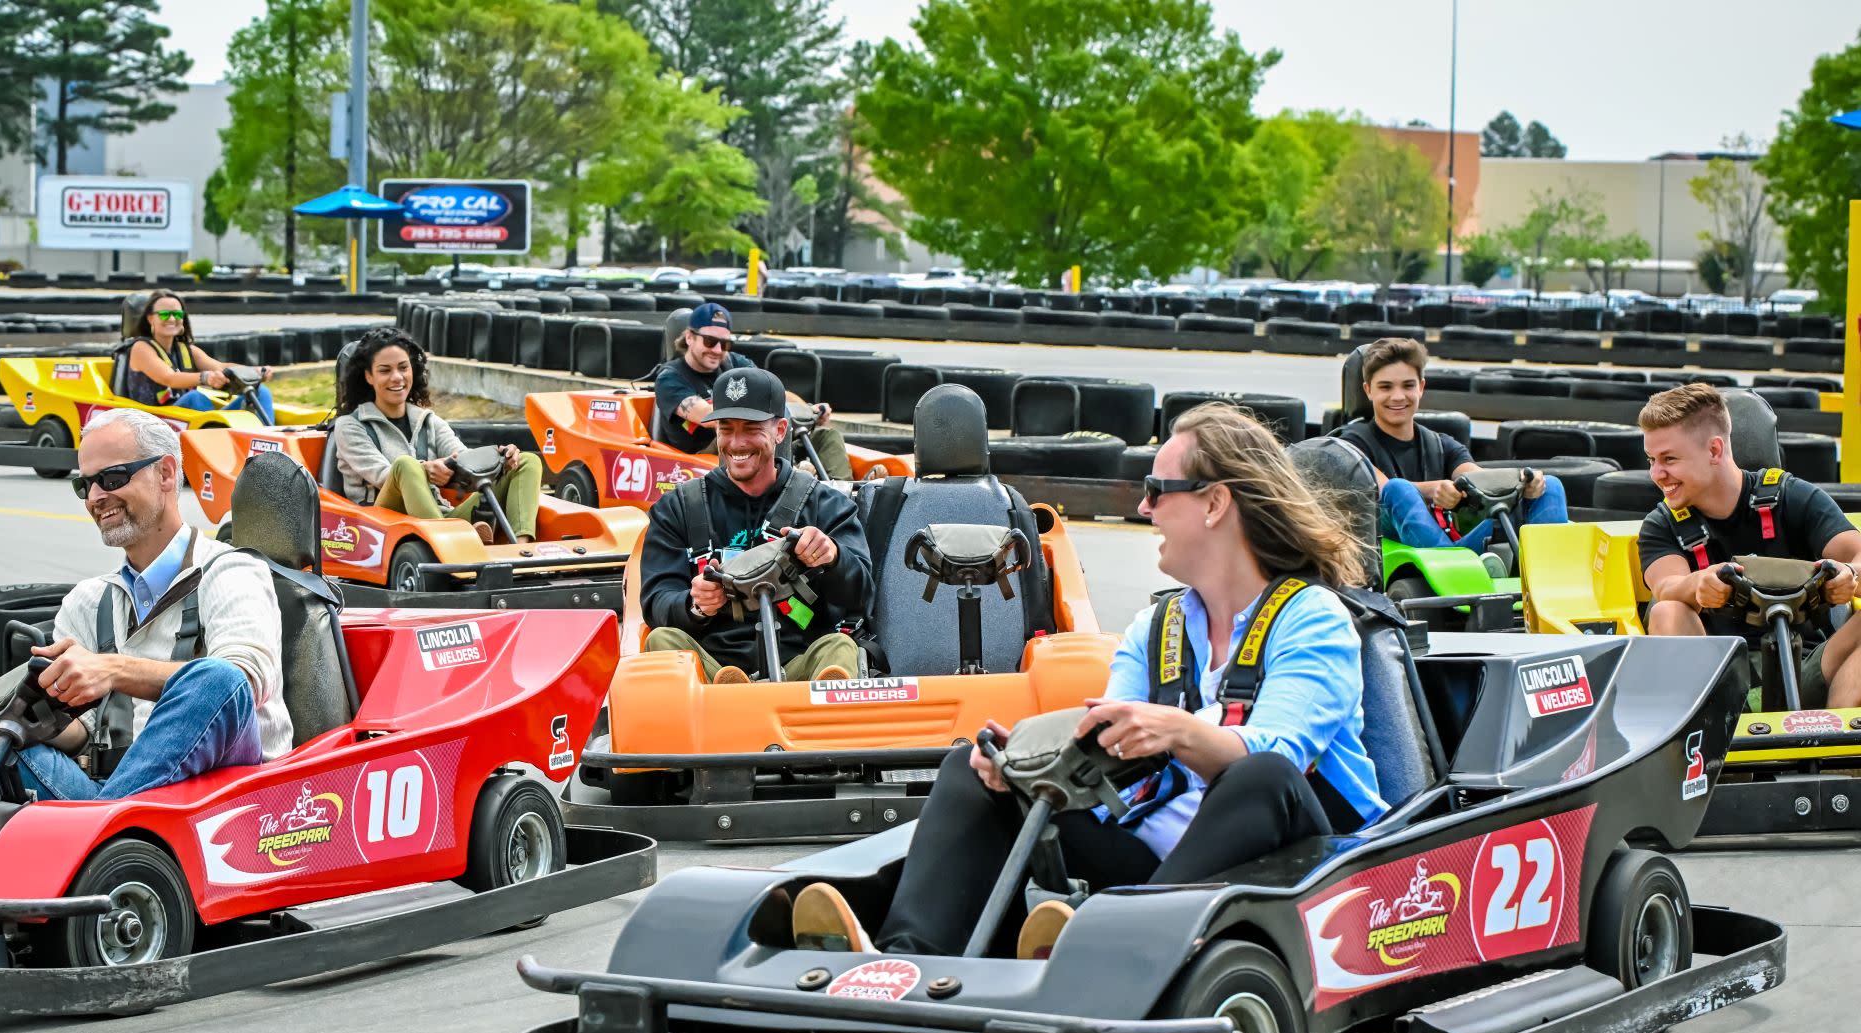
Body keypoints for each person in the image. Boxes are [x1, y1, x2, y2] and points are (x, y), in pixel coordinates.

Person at [793, 404, 1385, 959]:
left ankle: (1113, 947)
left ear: (1214, 504)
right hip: (1165, 869)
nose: (1146, 510)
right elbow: (1102, 750)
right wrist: (1023, 761)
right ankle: (906, 963)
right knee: (976, 770)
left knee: (1259, 776)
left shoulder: (1314, 617)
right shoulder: (1159, 628)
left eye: (1157, 492)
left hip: (1312, 874)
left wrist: (1175, 730)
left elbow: (1281, 753)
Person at [0, 408, 291, 856]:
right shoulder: (89, 600)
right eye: (86, 486)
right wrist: (18, 715)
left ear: (166, 473)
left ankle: (100, 839)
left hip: (218, 802)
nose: (97, 496)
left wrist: (112, 670)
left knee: (216, 680)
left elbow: (244, 685)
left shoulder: (232, 572)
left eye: (113, 478)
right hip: (99, 798)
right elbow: (83, 737)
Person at [639, 365, 871, 685]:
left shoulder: (826, 505)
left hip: (800, 665)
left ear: (779, 430)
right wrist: (694, 605)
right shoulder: (677, 509)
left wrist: (833, 558)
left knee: (840, 647)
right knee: (663, 641)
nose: (736, 443)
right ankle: (730, 698)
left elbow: (863, 597)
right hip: (712, 669)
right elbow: (656, 602)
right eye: (726, 428)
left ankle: (821, 714)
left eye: (751, 428)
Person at [1636, 382, 1861, 706]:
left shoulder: (1791, 497)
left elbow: (1856, 552)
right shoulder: (1663, 523)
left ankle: (1836, 745)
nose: (1657, 474)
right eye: (1651, 460)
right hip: (1719, 681)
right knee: (1668, 610)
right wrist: (1699, 584)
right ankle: (1706, 742)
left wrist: (1847, 575)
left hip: (1810, 672)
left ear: (1714, 450)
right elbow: (1667, 586)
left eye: (1668, 459)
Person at [1334, 338, 1567, 560]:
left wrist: (1524, 483)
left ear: (1421, 388)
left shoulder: (1441, 444)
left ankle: (1549, 582)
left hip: (1453, 547)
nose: (1398, 396)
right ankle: (1452, 564)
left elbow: (1478, 479)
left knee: (1551, 485)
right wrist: (1435, 490)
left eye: (1408, 386)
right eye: (1385, 387)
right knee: (1399, 489)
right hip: (1388, 543)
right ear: (1368, 391)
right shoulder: (1349, 443)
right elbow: (1382, 489)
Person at [327, 326, 541, 544]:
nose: (397, 377)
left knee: (526, 461)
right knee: (405, 466)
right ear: (369, 377)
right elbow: (384, 476)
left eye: (403, 368)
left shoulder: (429, 421)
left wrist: (501, 458)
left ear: (413, 370)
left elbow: (465, 458)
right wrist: (426, 469)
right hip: (377, 526)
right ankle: (451, 543)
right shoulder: (350, 426)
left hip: (437, 518)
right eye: (385, 370)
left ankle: (520, 551)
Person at [653, 302, 851, 479]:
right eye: (710, 342)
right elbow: (709, 417)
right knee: (736, 430)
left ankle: (842, 491)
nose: (717, 350)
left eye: (725, 344)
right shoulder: (670, 378)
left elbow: (774, 391)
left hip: (748, 441)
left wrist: (809, 411)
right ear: (689, 337)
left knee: (827, 436)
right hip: (707, 453)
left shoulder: (736, 363)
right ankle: (795, 477)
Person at [116, 292, 276, 419]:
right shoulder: (140, 348)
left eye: (177, 314)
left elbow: (220, 367)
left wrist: (254, 371)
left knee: (261, 392)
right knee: (196, 398)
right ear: (151, 318)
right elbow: (169, 378)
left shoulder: (185, 350)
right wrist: (206, 378)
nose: (172, 319)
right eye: (165, 314)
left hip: (185, 420)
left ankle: (269, 447)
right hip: (153, 424)